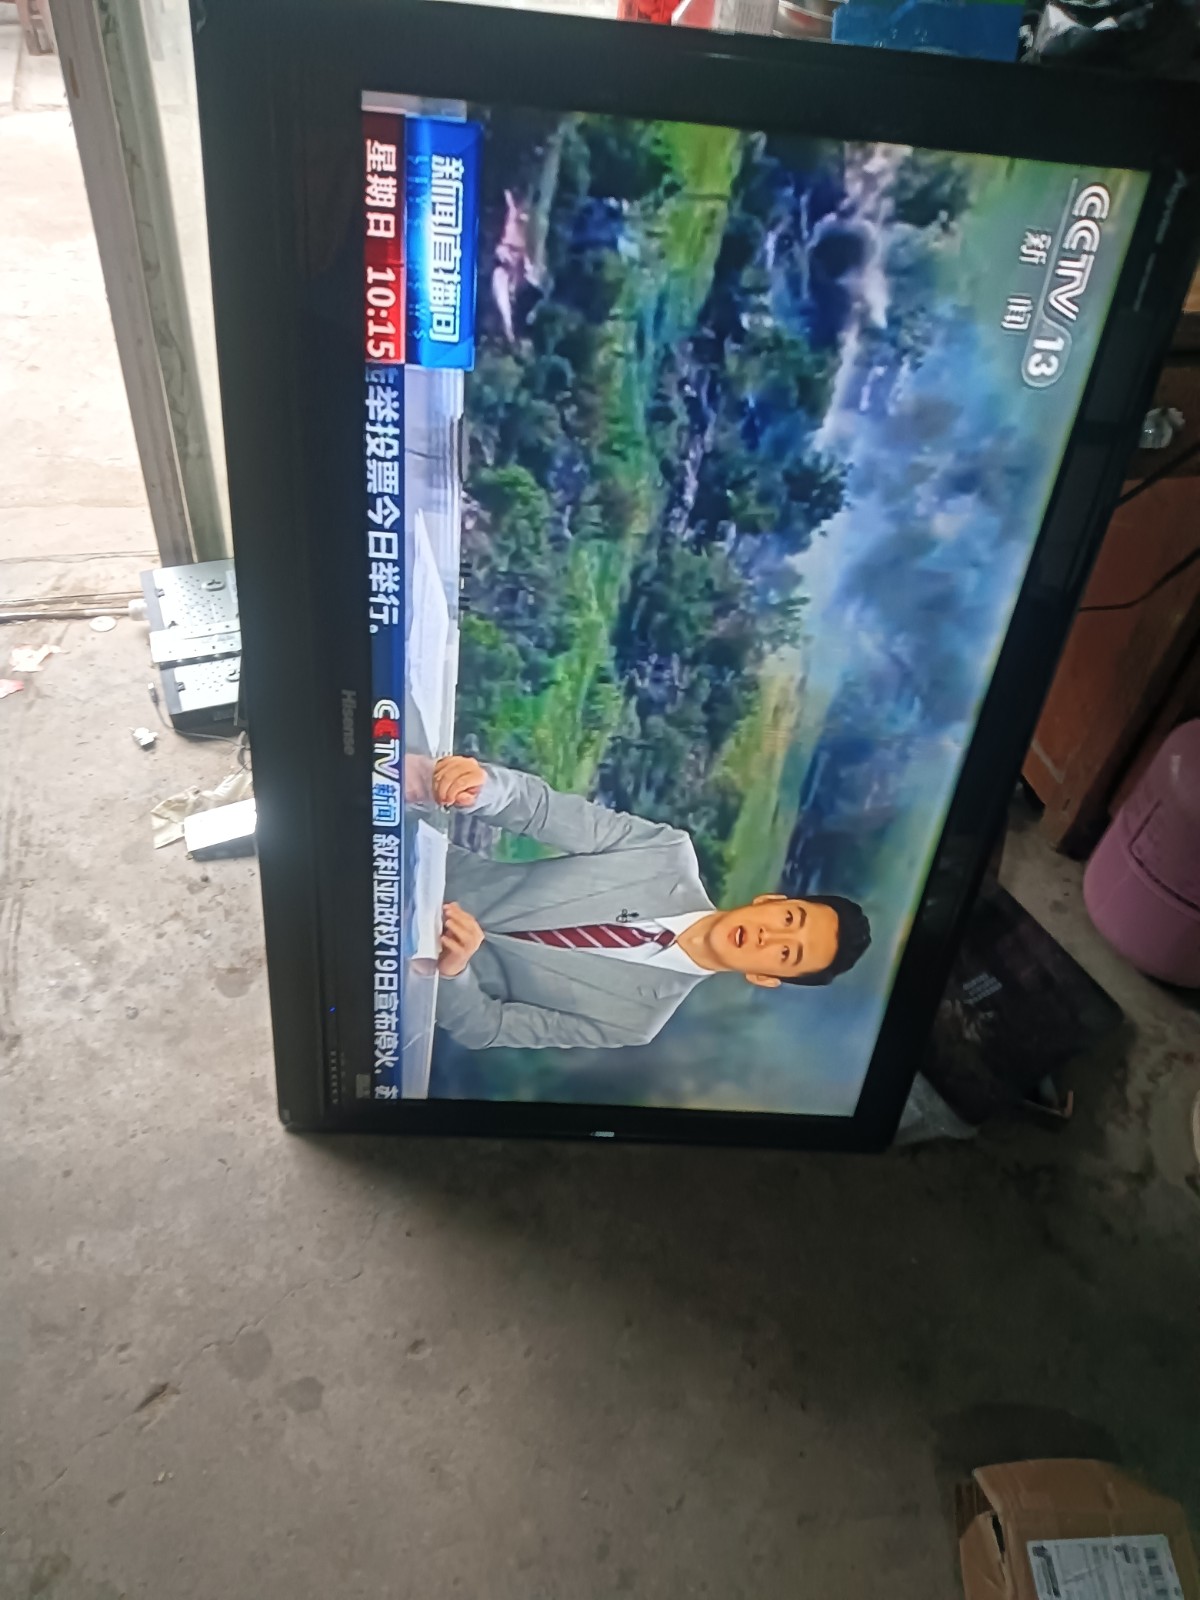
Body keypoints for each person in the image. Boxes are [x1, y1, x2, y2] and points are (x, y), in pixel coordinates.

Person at [424, 755, 872, 1053]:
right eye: (788, 918)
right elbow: (539, 809)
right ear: (770, 900)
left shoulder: (635, 1022)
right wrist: (483, 788)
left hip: (406, 976)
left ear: (765, 977)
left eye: (785, 953)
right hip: (414, 873)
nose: (768, 935)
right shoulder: (663, 852)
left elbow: (487, 1029)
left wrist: (455, 972)